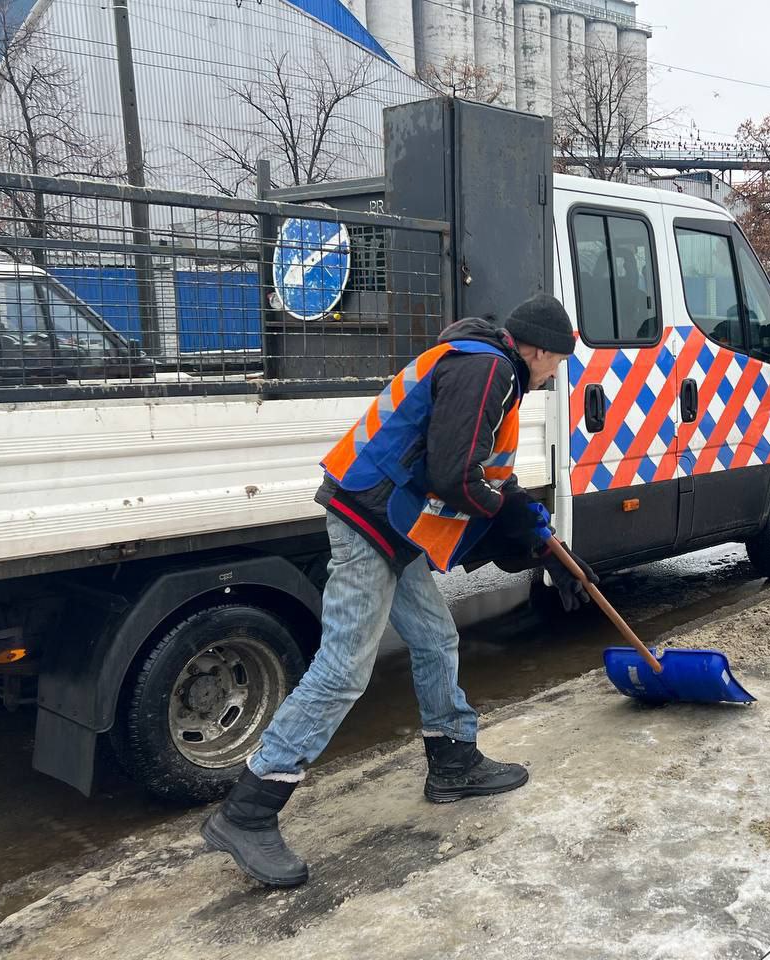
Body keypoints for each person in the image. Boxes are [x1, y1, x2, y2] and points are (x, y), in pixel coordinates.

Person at [201, 294, 593, 888]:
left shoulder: (490, 369)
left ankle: (453, 761)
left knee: (436, 638)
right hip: (368, 520)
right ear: (538, 348)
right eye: (558, 361)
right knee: (343, 669)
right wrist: (505, 514)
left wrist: (538, 537)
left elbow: (487, 475)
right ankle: (248, 811)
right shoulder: (487, 369)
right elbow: (454, 476)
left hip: (391, 524)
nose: (555, 374)